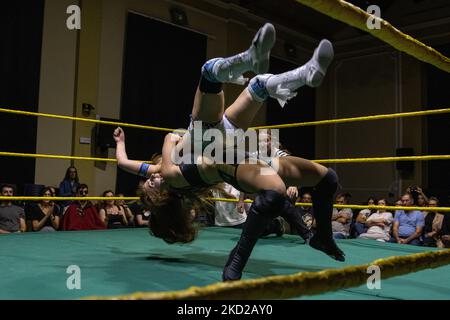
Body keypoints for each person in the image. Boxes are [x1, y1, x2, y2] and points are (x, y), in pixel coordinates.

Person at [115, 23, 344, 281]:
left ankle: (305, 74)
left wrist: (120, 142)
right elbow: (167, 153)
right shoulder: (172, 176)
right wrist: (170, 140)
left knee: (327, 177)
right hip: (211, 144)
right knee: (209, 75)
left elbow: (124, 163)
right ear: (163, 198)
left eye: (148, 180)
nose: (151, 179)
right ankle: (250, 58)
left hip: (223, 140)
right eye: (151, 186)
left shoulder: (170, 177)